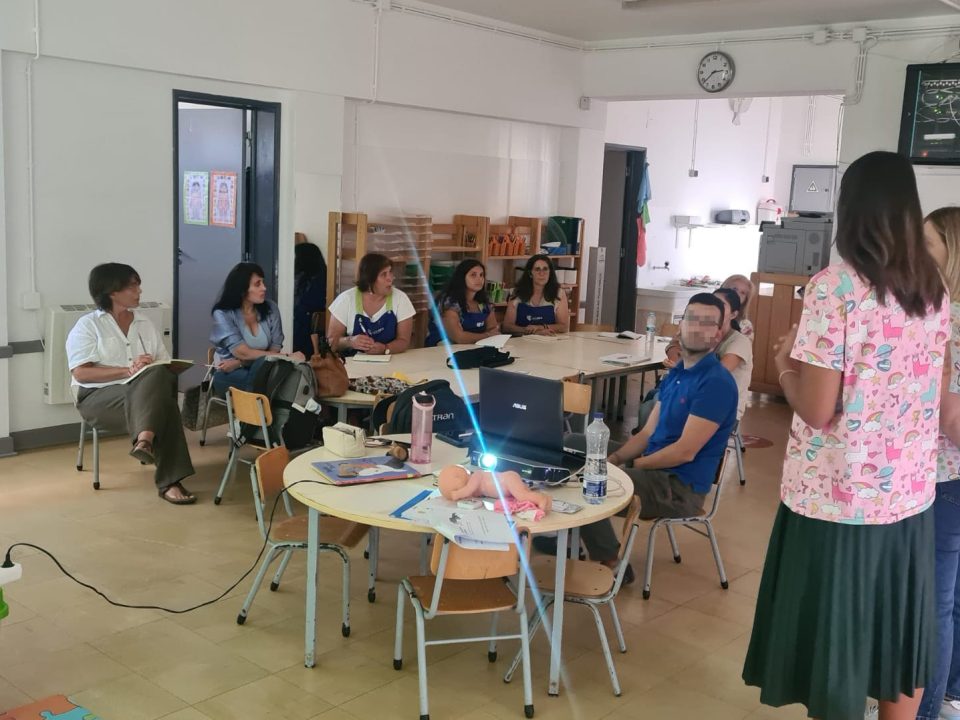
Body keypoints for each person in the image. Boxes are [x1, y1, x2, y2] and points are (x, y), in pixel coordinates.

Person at [742, 151, 948, 720]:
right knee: (895, 637)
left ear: (850, 208)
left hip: (838, 499)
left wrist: (783, 365)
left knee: (836, 645)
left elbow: (816, 409)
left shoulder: (835, 287)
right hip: (908, 497)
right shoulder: (932, 289)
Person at [574, 293, 738, 576]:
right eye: (691, 319)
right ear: (680, 325)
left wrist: (629, 465)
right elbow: (648, 432)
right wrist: (615, 457)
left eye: (707, 323)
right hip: (654, 468)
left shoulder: (716, 383)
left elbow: (684, 452)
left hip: (677, 488)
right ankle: (567, 535)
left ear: (718, 334)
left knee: (589, 482)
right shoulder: (678, 373)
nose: (696, 327)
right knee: (570, 447)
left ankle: (611, 561)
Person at [66, 263, 196, 505]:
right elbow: (82, 373)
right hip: (98, 398)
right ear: (112, 291)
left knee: (158, 377)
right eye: (132, 286)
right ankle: (169, 480)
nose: (139, 291)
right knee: (165, 406)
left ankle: (144, 441)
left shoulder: (145, 323)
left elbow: (163, 363)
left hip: (143, 396)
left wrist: (153, 366)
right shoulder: (88, 325)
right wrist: (127, 370)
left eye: (138, 285)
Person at [918, 206, 960, 720]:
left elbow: (951, 418)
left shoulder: (947, 319)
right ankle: (949, 696)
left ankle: (923, 711)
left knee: (933, 603)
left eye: (927, 243)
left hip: (944, 477)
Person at [210, 262, 302, 394]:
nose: (264, 288)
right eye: (257, 284)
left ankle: (260, 405)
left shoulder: (271, 308)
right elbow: (243, 353)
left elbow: (274, 351)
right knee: (269, 382)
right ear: (242, 290)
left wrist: (240, 363)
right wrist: (287, 356)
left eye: (263, 282)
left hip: (261, 370)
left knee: (272, 377)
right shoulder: (222, 313)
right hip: (228, 373)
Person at [327, 252, 415, 356]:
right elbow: (331, 342)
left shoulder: (400, 299)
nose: (390, 278)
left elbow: (404, 341)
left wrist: (385, 348)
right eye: (384, 274)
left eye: (390, 272)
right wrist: (350, 341)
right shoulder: (346, 299)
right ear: (369, 279)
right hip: (352, 363)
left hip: (391, 361)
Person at [424, 259, 500, 346]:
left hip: (475, 347)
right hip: (443, 349)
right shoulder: (449, 302)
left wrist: (487, 335)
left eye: (481, 275)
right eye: (473, 275)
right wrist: (487, 336)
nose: (479, 279)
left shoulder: (484, 303)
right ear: (462, 278)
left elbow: (493, 330)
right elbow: (459, 338)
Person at [711, 287, 753, 420]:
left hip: (725, 410)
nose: (714, 308)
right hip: (701, 400)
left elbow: (716, 374)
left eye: (721, 305)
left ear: (734, 314)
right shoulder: (703, 334)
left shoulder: (740, 341)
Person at [502, 254, 569, 336]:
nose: (542, 273)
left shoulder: (559, 293)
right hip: (522, 340)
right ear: (530, 273)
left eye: (545, 269)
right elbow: (507, 327)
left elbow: (564, 326)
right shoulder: (516, 293)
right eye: (537, 269)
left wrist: (540, 327)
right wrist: (533, 332)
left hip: (549, 341)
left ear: (550, 273)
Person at [293, 242, 327, 357]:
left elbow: (300, 305)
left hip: (304, 332)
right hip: (316, 336)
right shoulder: (325, 276)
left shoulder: (304, 280)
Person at [721, 274, 754, 339]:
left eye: (743, 292)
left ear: (745, 300)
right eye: (734, 289)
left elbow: (745, 344)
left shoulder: (745, 325)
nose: (737, 294)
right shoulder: (707, 311)